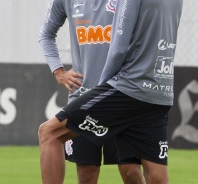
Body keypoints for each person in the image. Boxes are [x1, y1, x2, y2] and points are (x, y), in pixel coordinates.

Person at [38, 0, 183, 183]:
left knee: (130, 171)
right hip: (88, 95)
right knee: (86, 173)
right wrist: (58, 71)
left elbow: (123, 46)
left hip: (120, 93)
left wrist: (103, 88)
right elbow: (46, 34)